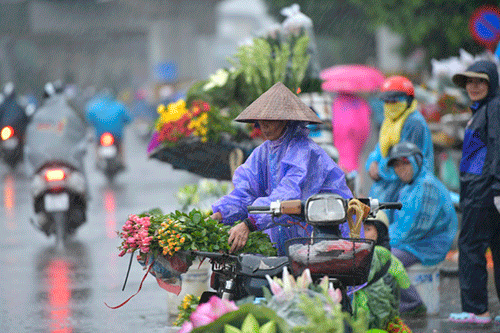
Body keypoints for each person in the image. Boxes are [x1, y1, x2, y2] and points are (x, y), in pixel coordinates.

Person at [210, 82, 353, 255]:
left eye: (270, 120)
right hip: (284, 235)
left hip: (321, 233)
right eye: (261, 121)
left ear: (285, 120)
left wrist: (250, 223)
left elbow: (288, 194)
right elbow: (246, 191)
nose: (264, 126)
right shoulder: (263, 152)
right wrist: (220, 214)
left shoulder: (305, 151)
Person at [447, 60, 500, 325]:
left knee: (470, 246)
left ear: (491, 83)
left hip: (484, 193)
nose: (473, 86)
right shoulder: (482, 110)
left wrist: (497, 187)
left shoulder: (494, 108)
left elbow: (496, 146)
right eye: (470, 81)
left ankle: (477, 310)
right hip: (480, 191)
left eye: (480, 81)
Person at [386, 141, 458, 317]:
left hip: (427, 245)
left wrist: (384, 242)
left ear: (417, 161)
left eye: (405, 162)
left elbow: (413, 229)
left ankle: (412, 303)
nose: (400, 168)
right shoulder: (410, 186)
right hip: (414, 243)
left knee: (385, 261)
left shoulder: (426, 186)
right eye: (396, 164)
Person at [365, 76, 434, 208]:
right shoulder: (390, 121)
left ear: (408, 100)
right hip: (391, 188)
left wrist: (380, 169)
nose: (390, 105)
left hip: (410, 190)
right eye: (387, 101)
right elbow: (379, 150)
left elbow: (406, 163)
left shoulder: (414, 123)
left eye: (395, 100)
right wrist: (372, 163)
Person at [352, 210, 412, 332]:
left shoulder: (372, 256)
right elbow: (406, 286)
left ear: (379, 232)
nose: (362, 235)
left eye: (367, 229)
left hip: (367, 324)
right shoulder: (392, 258)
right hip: (385, 323)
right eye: (360, 230)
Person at [85, 88, 131, 166]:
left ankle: (97, 160)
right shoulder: (119, 105)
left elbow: (89, 119)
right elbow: (128, 119)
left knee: (97, 145)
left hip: (100, 134)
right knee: (120, 145)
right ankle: (122, 161)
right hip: (116, 134)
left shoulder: (94, 106)